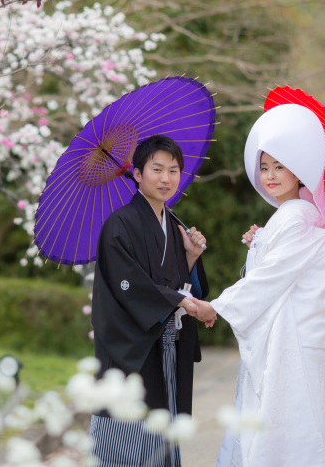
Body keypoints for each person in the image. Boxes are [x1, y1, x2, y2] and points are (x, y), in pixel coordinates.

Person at [193, 104, 325, 467]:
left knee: (285, 421)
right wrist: (260, 243)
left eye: (279, 166)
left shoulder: (294, 219)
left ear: (299, 170)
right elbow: (273, 270)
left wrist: (218, 305)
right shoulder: (291, 217)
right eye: (264, 167)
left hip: (286, 340)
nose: (270, 175)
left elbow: (270, 278)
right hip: (283, 337)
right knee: (280, 420)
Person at [89, 134, 212, 467]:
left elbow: (174, 282)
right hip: (132, 350)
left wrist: (189, 257)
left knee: (163, 434)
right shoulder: (119, 225)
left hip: (167, 348)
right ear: (138, 175)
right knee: (130, 438)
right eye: (156, 169)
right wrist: (181, 302)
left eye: (173, 170)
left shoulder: (173, 227)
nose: (166, 178)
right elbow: (130, 286)